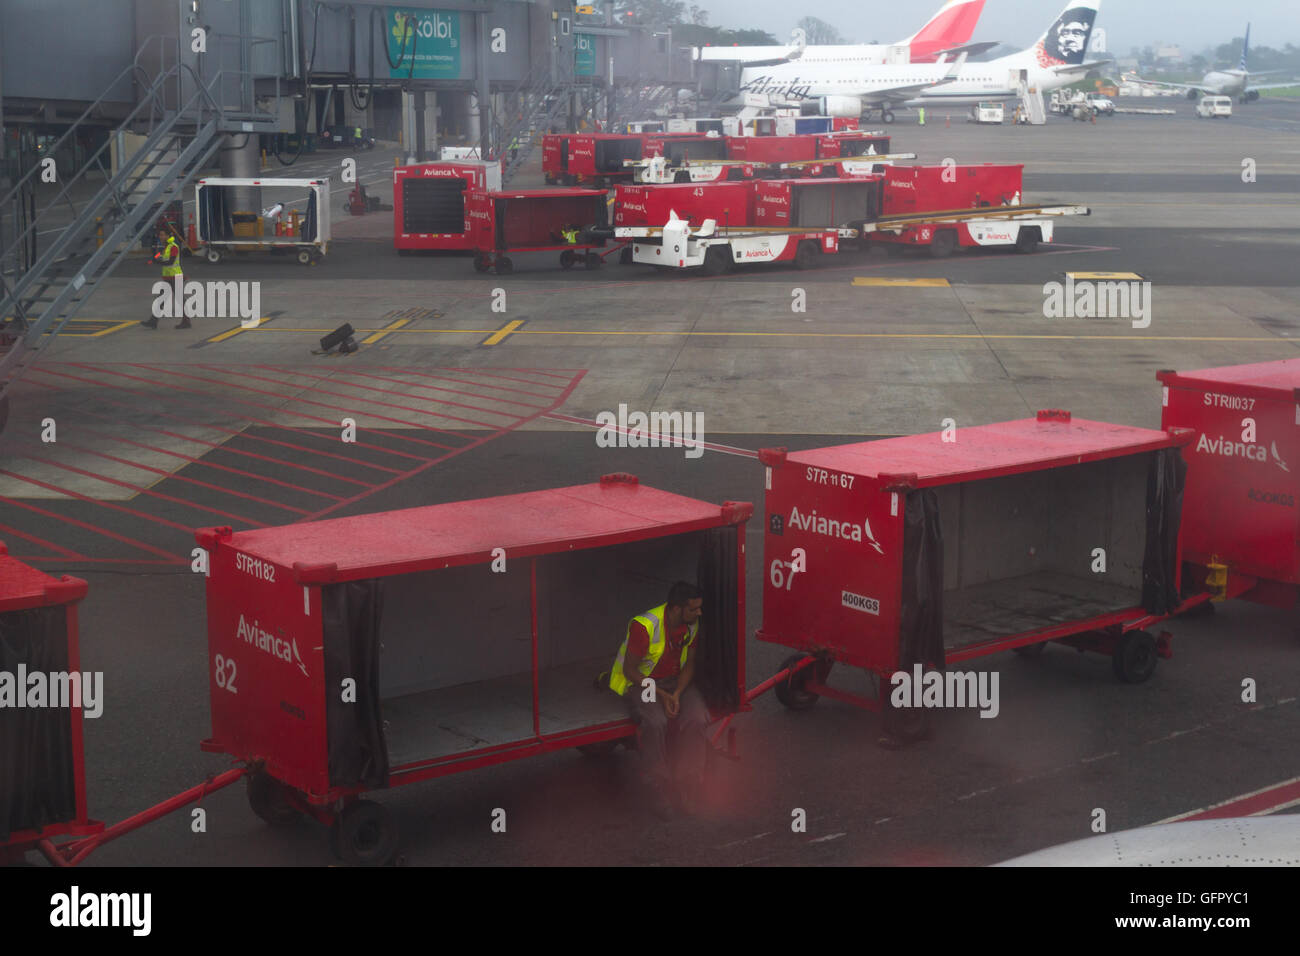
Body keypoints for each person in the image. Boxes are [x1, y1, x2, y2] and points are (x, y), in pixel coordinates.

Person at [608, 582, 709, 818]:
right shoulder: (644, 627)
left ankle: (688, 785)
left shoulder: (691, 624)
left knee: (697, 718)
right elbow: (630, 671)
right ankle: (658, 785)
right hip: (643, 683)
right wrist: (662, 695)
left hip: (674, 682)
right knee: (655, 723)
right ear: (676, 609)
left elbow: (689, 664)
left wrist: (676, 693)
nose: (699, 613)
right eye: (694, 609)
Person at [143, 227, 186, 329]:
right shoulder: (166, 246)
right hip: (168, 277)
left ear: (168, 236)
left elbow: (170, 262)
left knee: (179, 300)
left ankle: (186, 321)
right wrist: (152, 259)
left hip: (175, 277)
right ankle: (153, 322)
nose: (160, 237)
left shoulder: (173, 247)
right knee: (162, 299)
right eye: (160, 235)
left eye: (162, 235)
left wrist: (156, 261)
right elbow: (160, 254)